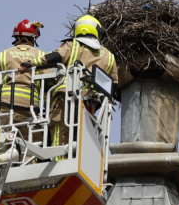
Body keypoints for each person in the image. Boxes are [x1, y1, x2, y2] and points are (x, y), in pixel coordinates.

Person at [18, 14, 120, 148]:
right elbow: (114, 86)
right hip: (91, 101)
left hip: (65, 97)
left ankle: (58, 161)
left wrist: (31, 64)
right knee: (83, 134)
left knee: (60, 131)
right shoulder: (109, 55)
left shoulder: (73, 45)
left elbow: (53, 57)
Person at [0, 19, 46, 142]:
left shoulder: (4, 54)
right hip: (30, 108)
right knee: (31, 149)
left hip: (5, 107)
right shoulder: (41, 55)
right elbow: (48, 84)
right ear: (33, 38)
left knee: (0, 146)